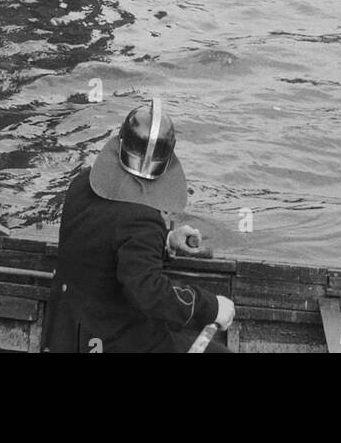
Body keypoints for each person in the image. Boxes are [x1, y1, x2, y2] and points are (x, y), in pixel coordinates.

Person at [42, 99, 235, 353]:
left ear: (121, 141)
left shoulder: (80, 183)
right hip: (111, 342)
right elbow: (148, 292)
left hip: (64, 336)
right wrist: (211, 306)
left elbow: (105, 239)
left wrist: (166, 239)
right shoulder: (141, 219)